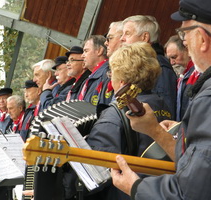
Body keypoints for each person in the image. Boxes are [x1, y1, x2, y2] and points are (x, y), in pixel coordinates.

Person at [111, 0, 211, 199]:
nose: (185, 42)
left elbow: (193, 193)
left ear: (202, 38)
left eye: (184, 34)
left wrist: (136, 187)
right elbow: (197, 169)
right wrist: (159, 131)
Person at [67, 42, 171, 200]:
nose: (110, 79)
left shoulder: (112, 117)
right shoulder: (163, 105)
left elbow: (95, 176)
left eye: (111, 75)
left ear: (122, 82)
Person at [121, 15, 177, 119]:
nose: (121, 39)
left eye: (127, 34)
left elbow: (164, 113)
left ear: (145, 37)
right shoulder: (139, 64)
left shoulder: (160, 68)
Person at [164, 35, 200, 121]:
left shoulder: (197, 74)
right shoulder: (181, 77)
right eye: (169, 59)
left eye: (174, 57)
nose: (172, 62)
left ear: (187, 51)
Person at [78, 35, 109, 106]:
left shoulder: (108, 75)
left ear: (99, 51)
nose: (82, 56)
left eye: (86, 51)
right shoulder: (90, 78)